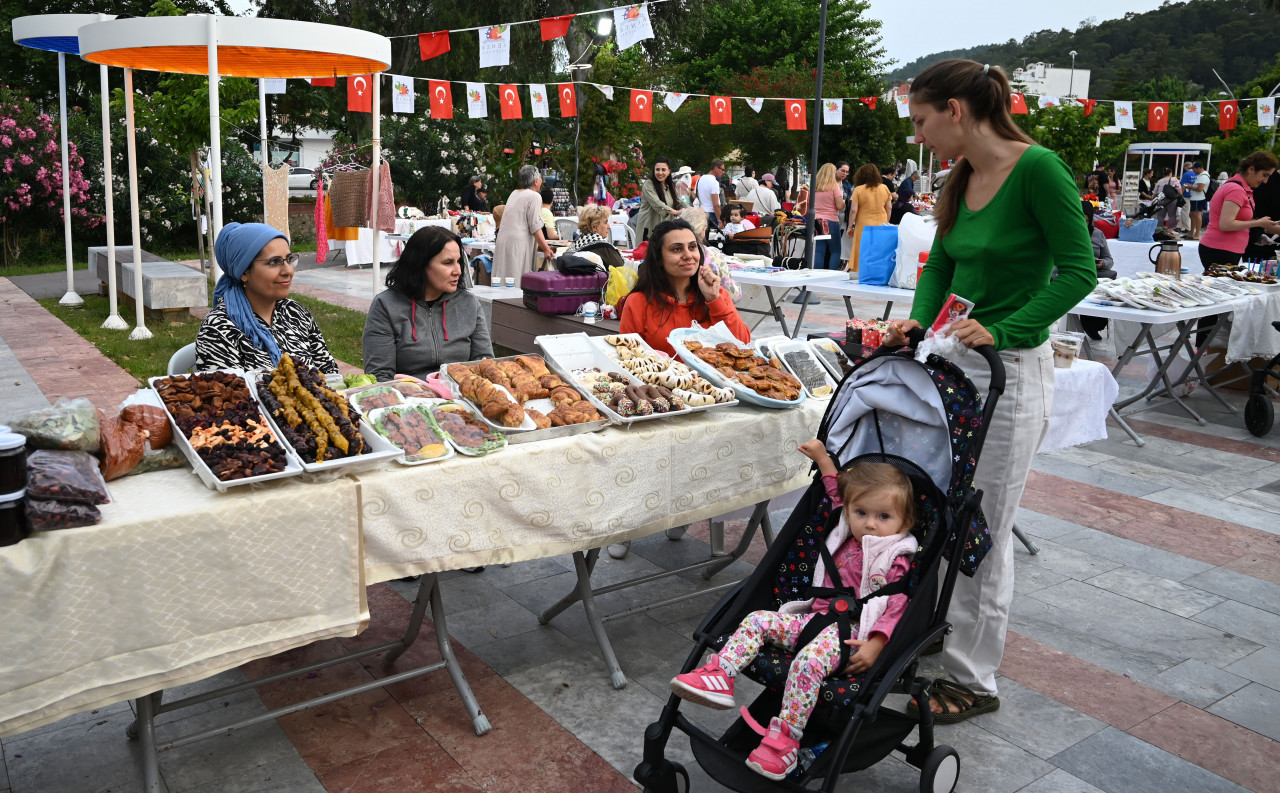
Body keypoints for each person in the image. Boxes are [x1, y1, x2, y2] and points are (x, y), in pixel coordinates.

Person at [886, 59, 1095, 724]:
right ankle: (927, 631)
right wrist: (921, 319)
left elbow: (1079, 270)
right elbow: (942, 260)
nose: (919, 135)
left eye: (921, 120)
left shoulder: (1038, 169)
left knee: (984, 526)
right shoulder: (961, 176)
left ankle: (974, 677)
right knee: (937, 512)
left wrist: (1005, 327)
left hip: (1010, 369)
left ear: (955, 109)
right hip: (953, 362)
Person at [669, 450, 917, 780]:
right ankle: (719, 675)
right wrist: (825, 460)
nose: (870, 523)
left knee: (807, 664)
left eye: (884, 516)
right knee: (758, 619)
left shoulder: (896, 553)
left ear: (905, 521)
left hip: (848, 635)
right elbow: (836, 494)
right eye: (862, 513)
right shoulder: (845, 527)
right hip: (811, 620)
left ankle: (784, 742)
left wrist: (876, 642)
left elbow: (896, 601)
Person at [195, 222, 338, 374]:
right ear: (244, 272)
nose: (287, 270)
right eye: (274, 262)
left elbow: (330, 373)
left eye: (289, 259)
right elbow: (227, 394)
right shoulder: (218, 329)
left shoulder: (295, 312)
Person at [362, 226, 494, 381]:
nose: (458, 270)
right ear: (421, 265)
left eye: (458, 261)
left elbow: (484, 364)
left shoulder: (469, 304)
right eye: (447, 263)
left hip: (460, 397)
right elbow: (379, 375)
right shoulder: (386, 306)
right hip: (409, 400)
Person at [619, 219, 749, 356]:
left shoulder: (716, 294)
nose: (688, 255)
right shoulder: (638, 302)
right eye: (677, 249)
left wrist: (714, 301)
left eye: (692, 247)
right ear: (658, 258)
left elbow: (743, 344)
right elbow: (627, 356)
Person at [1199, 150, 1280, 272]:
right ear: (1251, 169)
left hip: (1227, 249)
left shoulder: (1242, 188)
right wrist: (1258, 223)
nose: (1265, 181)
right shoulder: (1235, 189)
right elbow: (1226, 224)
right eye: (1265, 175)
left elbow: (1238, 221)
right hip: (1220, 249)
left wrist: (1257, 233)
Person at [492, 165, 555, 284]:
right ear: (536, 181)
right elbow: (535, 226)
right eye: (540, 178)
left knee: (504, 278)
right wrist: (546, 248)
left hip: (504, 240)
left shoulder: (514, 193)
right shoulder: (535, 196)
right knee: (516, 279)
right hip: (518, 243)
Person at [1079, 201, 1116, 340]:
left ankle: (1095, 325)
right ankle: (1086, 325)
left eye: (1086, 220)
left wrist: (1101, 264)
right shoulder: (1067, 232)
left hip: (1096, 274)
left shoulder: (1098, 234)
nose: (1083, 223)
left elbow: (1109, 259)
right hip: (1074, 274)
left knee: (1106, 289)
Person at [847, 163, 892, 271]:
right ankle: (877, 270)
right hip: (881, 222)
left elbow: (853, 210)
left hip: (863, 224)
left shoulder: (858, 189)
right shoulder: (884, 188)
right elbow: (889, 208)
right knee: (879, 248)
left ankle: (862, 269)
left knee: (862, 248)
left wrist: (850, 226)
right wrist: (886, 222)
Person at [636, 156, 682, 243]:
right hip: (649, 229)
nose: (660, 172)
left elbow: (679, 202)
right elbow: (657, 203)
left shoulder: (670, 186)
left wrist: (688, 209)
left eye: (663, 170)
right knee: (649, 255)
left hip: (666, 228)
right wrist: (676, 212)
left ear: (669, 172)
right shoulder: (648, 184)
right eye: (657, 169)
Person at [809, 163, 845, 270]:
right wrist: (844, 203)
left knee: (820, 250)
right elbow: (839, 206)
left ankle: (818, 274)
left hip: (817, 221)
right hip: (831, 221)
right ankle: (832, 274)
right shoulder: (834, 187)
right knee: (835, 250)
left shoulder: (814, 187)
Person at [570, 204, 626, 269]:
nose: (609, 227)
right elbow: (623, 268)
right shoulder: (602, 246)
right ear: (594, 227)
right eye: (605, 222)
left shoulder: (577, 242)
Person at [696, 159, 726, 228]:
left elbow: (695, 195)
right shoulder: (714, 182)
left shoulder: (700, 179)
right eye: (722, 169)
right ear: (716, 168)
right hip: (712, 215)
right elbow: (716, 205)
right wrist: (720, 220)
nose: (723, 172)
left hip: (701, 212)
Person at [835, 161, 853, 267]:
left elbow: (849, 201)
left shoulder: (846, 184)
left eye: (847, 172)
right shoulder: (830, 183)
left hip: (842, 218)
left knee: (838, 244)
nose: (845, 174)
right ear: (836, 170)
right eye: (842, 171)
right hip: (831, 216)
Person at [1187, 161, 1210, 239]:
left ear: (1199, 168)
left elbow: (1200, 189)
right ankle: (1192, 232)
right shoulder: (1201, 175)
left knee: (1197, 215)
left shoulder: (1203, 176)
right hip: (1196, 198)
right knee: (1192, 215)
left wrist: (1190, 187)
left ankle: (1197, 234)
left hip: (1199, 198)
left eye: (1194, 169)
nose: (1193, 171)